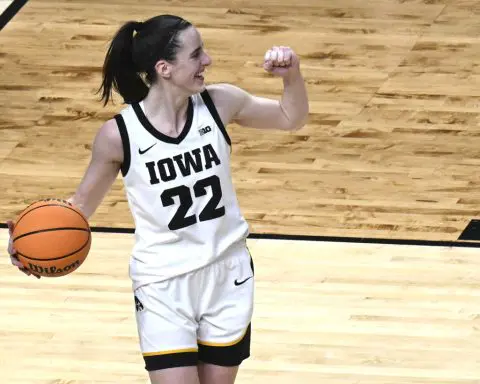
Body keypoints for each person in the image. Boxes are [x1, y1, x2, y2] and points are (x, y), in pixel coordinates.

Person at [7, 14, 309, 384]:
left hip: (227, 272)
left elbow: (289, 117)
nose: (208, 61)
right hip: (163, 281)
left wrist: (291, 75)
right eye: (196, 54)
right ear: (164, 68)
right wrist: (29, 239)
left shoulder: (220, 103)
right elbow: (79, 209)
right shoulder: (119, 135)